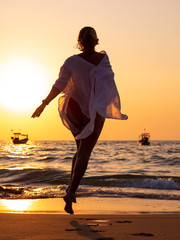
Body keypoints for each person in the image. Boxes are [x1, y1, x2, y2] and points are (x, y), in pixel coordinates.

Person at [32, 26, 128, 214]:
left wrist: (44, 104)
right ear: (96, 40)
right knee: (85, 151)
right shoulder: (103, 59)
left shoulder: (72, 62)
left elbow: (59, 85)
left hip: (75, 108)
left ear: (79, 42)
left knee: (80, 150)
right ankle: (70, 192)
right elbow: (108, 81)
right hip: (94, 109)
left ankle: (70, 190)